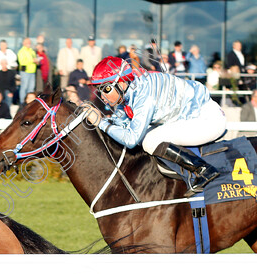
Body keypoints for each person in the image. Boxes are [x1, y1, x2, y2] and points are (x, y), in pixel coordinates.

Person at [86, 56, 227, 196]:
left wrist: (100, 122)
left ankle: (203, 169)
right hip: (193, 115)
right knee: (144, 136)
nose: (102, 95)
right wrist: (103, 120)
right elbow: (120, 123)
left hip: (207, 120)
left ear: (121, 83)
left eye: (106, 89)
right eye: (99, 90)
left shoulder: (144, 95)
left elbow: (130, 139)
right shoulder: (129, 88)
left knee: (149, 140)